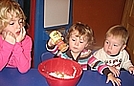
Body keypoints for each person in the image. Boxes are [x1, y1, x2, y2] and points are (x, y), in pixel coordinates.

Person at [46, 22, 121, 86]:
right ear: (68, 39)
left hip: (81, 82)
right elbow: (53, 50)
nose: (76, 44)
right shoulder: (63, 51)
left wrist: (109, 73)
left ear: (86, 44)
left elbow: (98, 64)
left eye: (81, 42)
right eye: (73, 40)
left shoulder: (87, 55)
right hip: (62, 81)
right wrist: (51, 44)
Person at [0, 0, 32, 73]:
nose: (18, 26)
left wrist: (17, 44)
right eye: (12, 23)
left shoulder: (26, 40)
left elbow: (24, 69)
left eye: (20, 21)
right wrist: (8, 44)